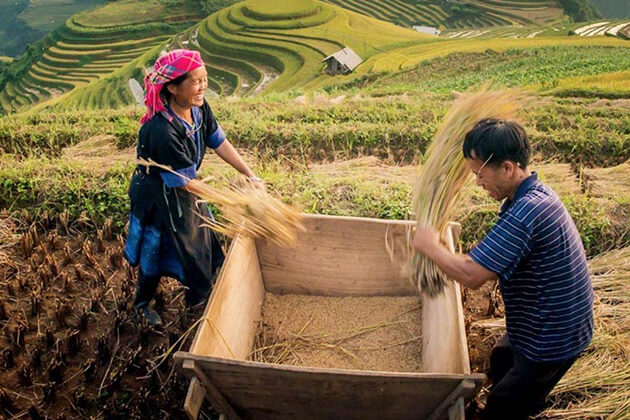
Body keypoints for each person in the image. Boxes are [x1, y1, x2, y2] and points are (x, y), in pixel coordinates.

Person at [412, 119, 593, 419]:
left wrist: (430, 246)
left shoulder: (527, 213)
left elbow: (472, 275)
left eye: (479, 173)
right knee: (500, 358)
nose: (477, 182)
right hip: (543, 320)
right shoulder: (532, 196)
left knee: (503, 408)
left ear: (507, 168)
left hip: (553, 337)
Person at [124, 49, 261, 326]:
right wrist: (231, 200)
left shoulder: (198, 108)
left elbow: (218, 141)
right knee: (156, 249)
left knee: (202, 242)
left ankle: (196, 296)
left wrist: (249, 174)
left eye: (205, 79)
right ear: (174, 88)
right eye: (196, 82)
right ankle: (141, 304)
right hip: (157, 197)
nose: (203, 87)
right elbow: (184, 182)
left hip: (183, 189)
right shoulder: (162, 131)